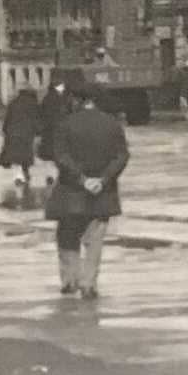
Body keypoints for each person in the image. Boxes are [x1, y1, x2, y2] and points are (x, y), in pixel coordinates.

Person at [44, 84, 129, 299]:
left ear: (77, 100)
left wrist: (82, 179)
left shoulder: (65, 124)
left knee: (67, 236)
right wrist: (103, 179)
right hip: (103, 193)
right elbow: (121, 156)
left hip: (71, 192)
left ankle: (70, 280)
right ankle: (89, 284)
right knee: (95, 241)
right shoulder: (112, 124)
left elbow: (61, 157)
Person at [0, 87, 43, 203]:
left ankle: (19, 174)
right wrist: (39, 131)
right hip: (27, 133)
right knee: (25, 153)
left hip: (14, 132)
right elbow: (36, 119)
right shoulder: (32, 104)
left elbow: (8, 118)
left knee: (15, 153)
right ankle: (25, 172)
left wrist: (5, 129)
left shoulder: (14, 103)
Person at [37, 76, 73, 183]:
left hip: (50, 130)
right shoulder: (62, 98)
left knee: (50, 155)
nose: (62, 88)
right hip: (57, 130)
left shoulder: (48, 98)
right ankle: (56, 175)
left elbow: (42, 114)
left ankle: (51, 175)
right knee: (58, 154)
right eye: (61, 86)